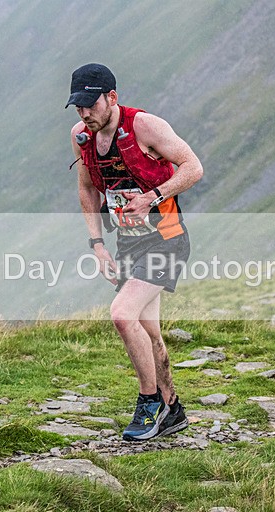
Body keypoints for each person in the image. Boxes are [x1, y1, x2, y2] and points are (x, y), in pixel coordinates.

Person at [66, 63, 203, 441]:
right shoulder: (81, 136)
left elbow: (193, 167)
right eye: (77, 107)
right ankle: (173, 409)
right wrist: (97, 245)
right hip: (128, 243)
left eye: (90, 105)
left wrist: (153, 197)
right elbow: (87, 191)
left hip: (168, 239)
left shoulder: (146, 126)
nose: (84, 114)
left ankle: (149, 403)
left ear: (112, 97)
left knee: (122, 315)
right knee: (148, 331)